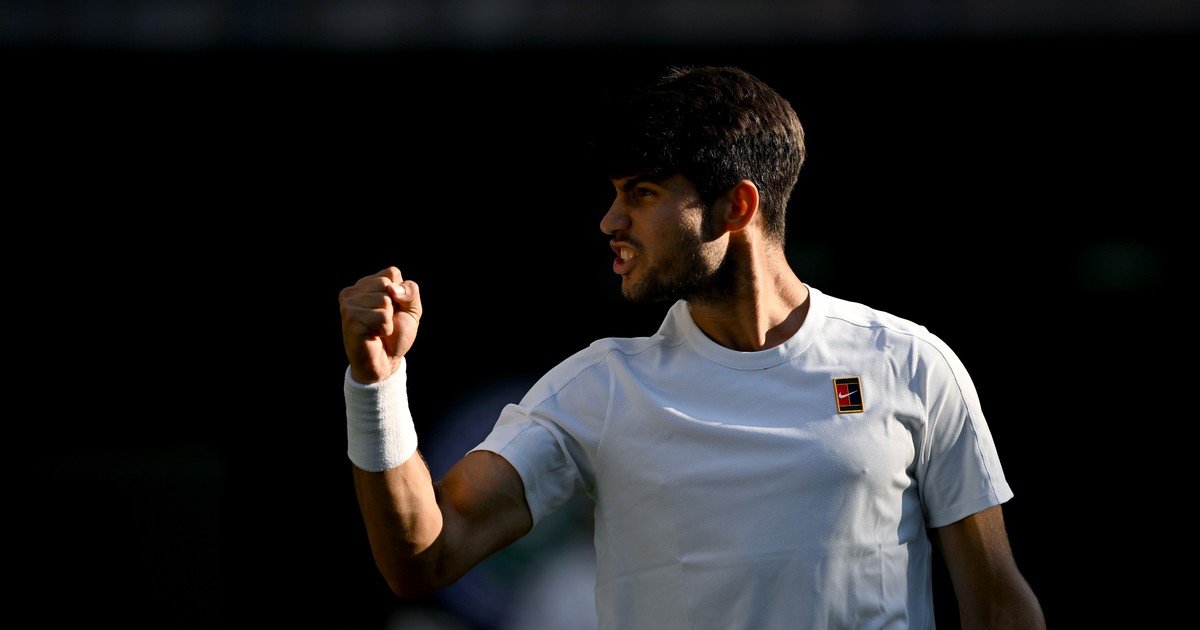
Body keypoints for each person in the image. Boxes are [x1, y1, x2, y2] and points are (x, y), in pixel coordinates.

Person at [339, 66, 1045, 629]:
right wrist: (378, 385)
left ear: (738, 206)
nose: (610, 220)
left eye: (642, 193)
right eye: (615, 193)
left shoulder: (911, 364)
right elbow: (426, 557)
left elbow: (997, 604)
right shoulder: (595, 389)